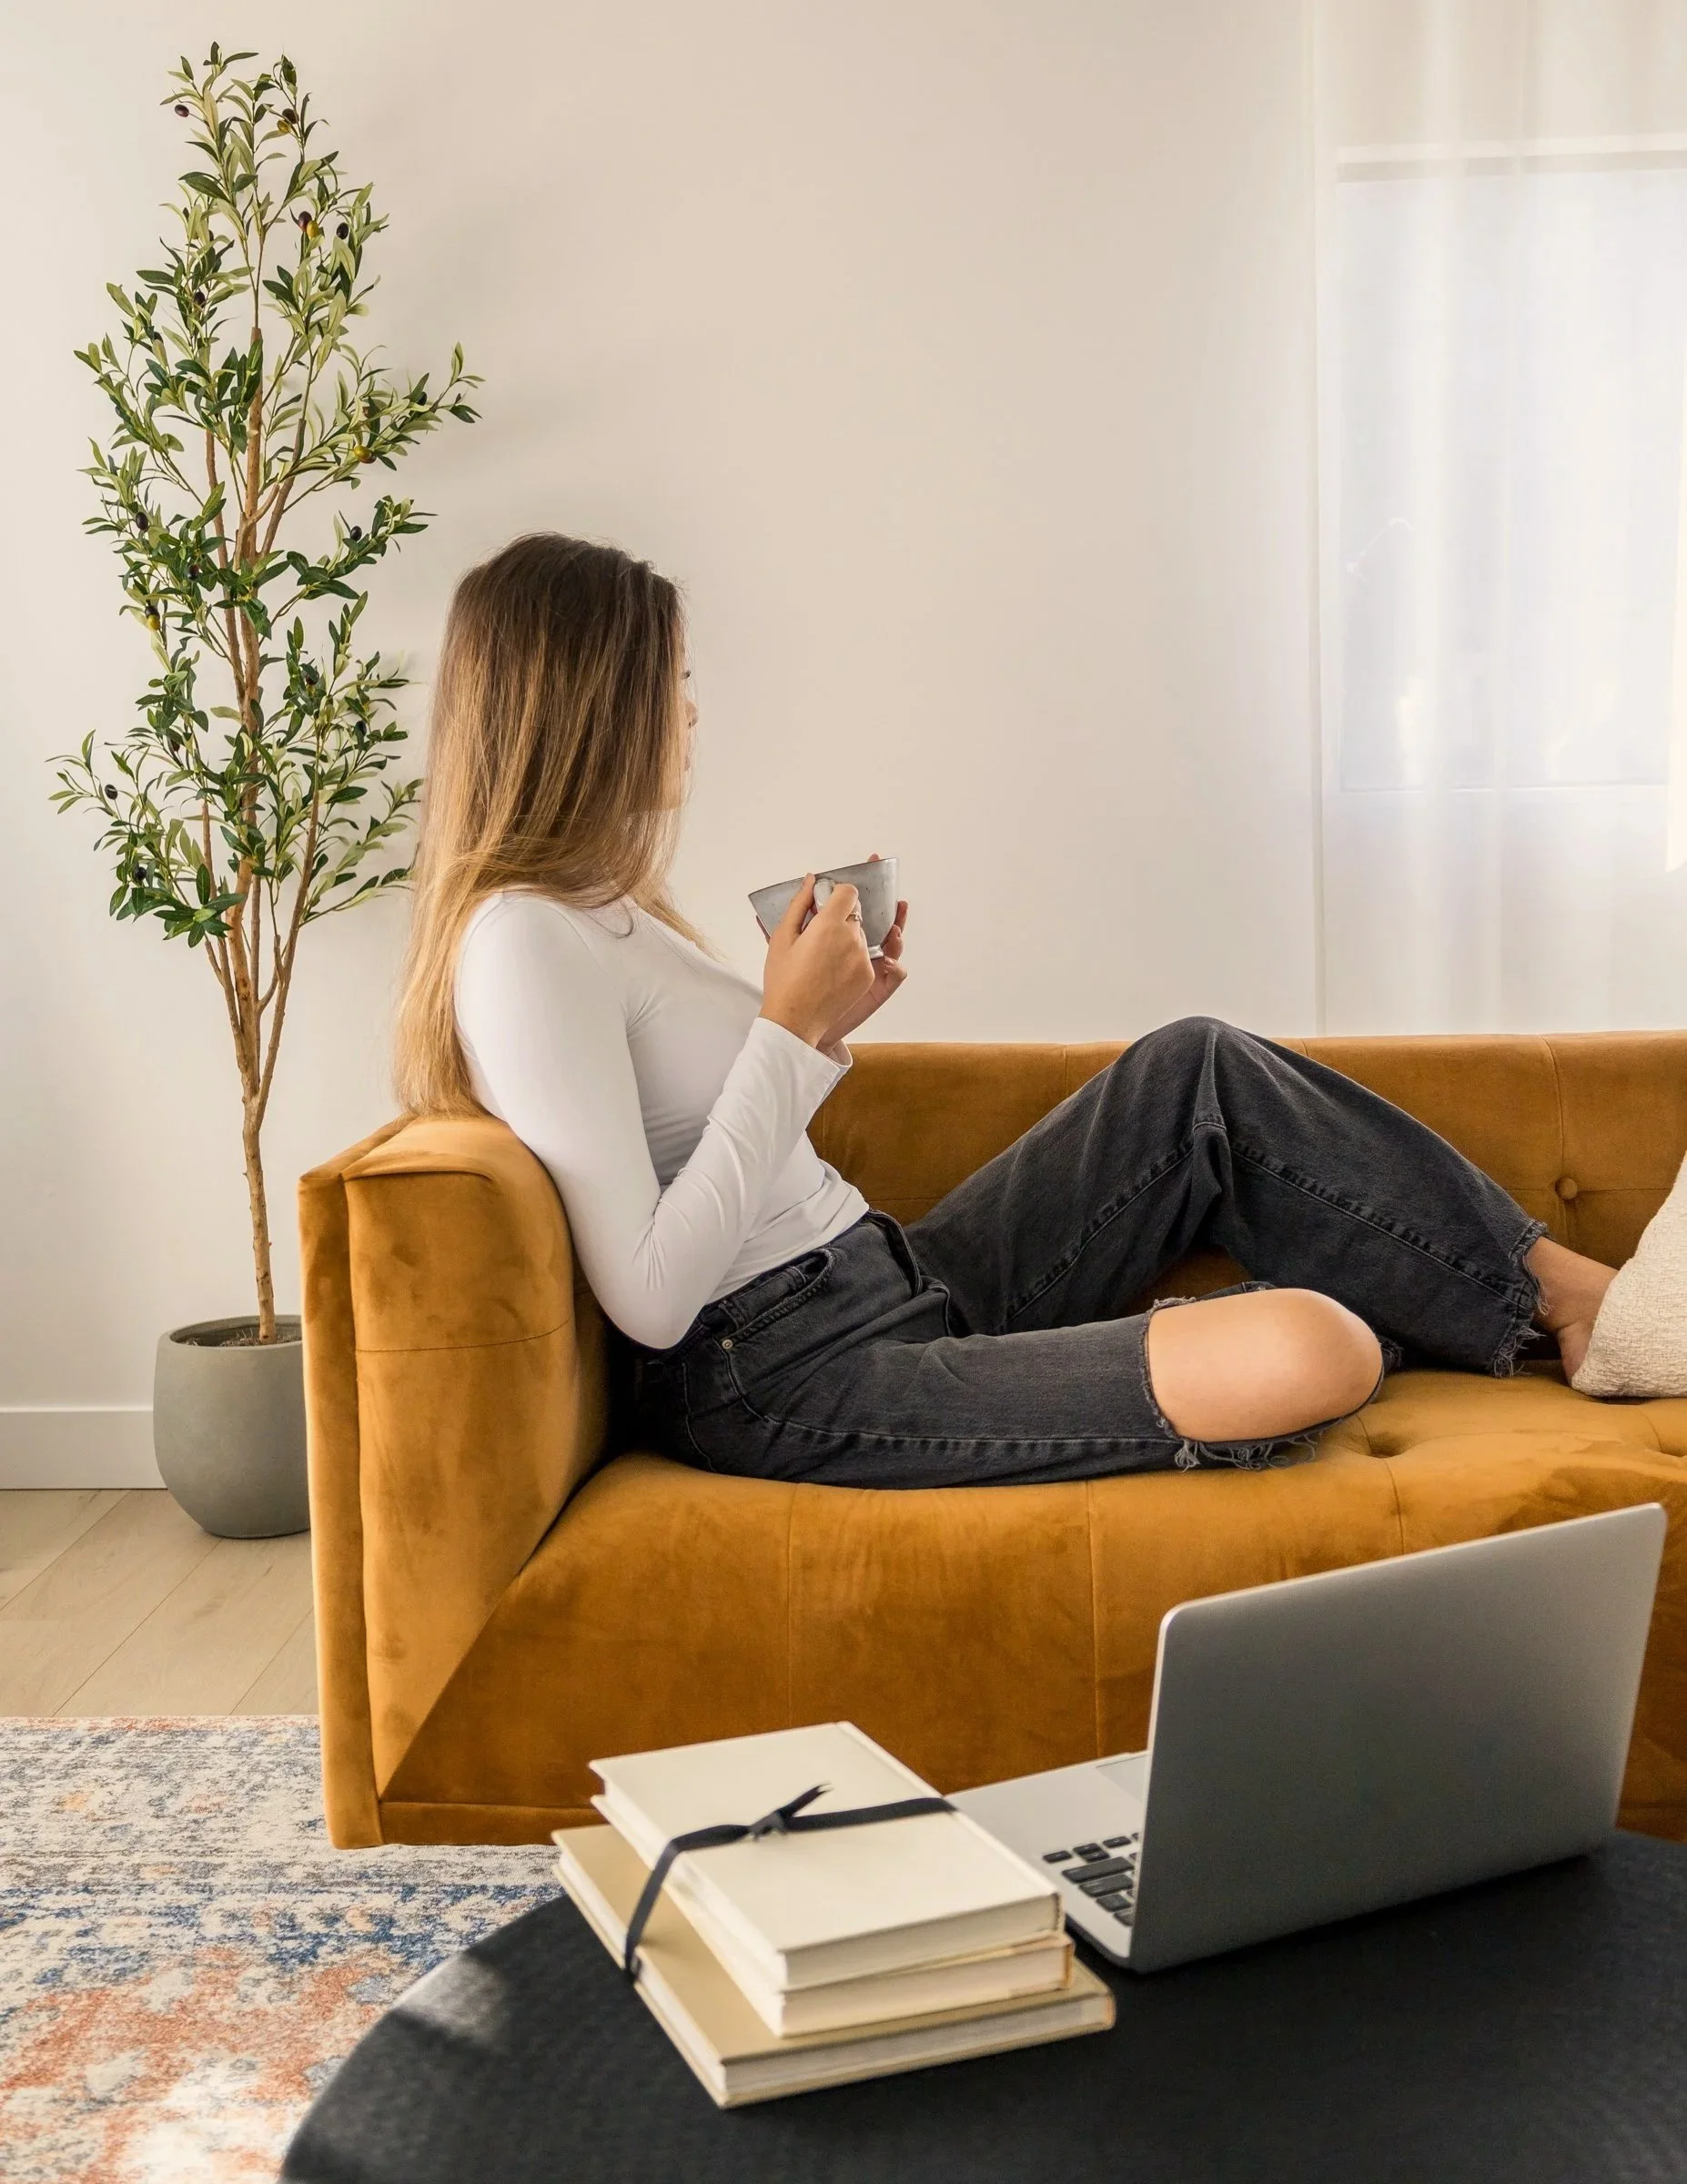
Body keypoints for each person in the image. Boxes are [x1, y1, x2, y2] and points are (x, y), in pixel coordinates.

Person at [392, 532, 1621, 1490]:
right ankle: (1305, 1335)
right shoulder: (518, 944)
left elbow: (735, 1141)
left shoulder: (603, 908)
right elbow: (653, 1301)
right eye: (673, 681)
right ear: (591, 703)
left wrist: (820, 1024)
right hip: (781, 1371)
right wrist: (781, 1032)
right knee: (1318, 1347)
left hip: (886, 1275)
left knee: (1193, 1071)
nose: (693, 710)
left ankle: (1572, 1296)